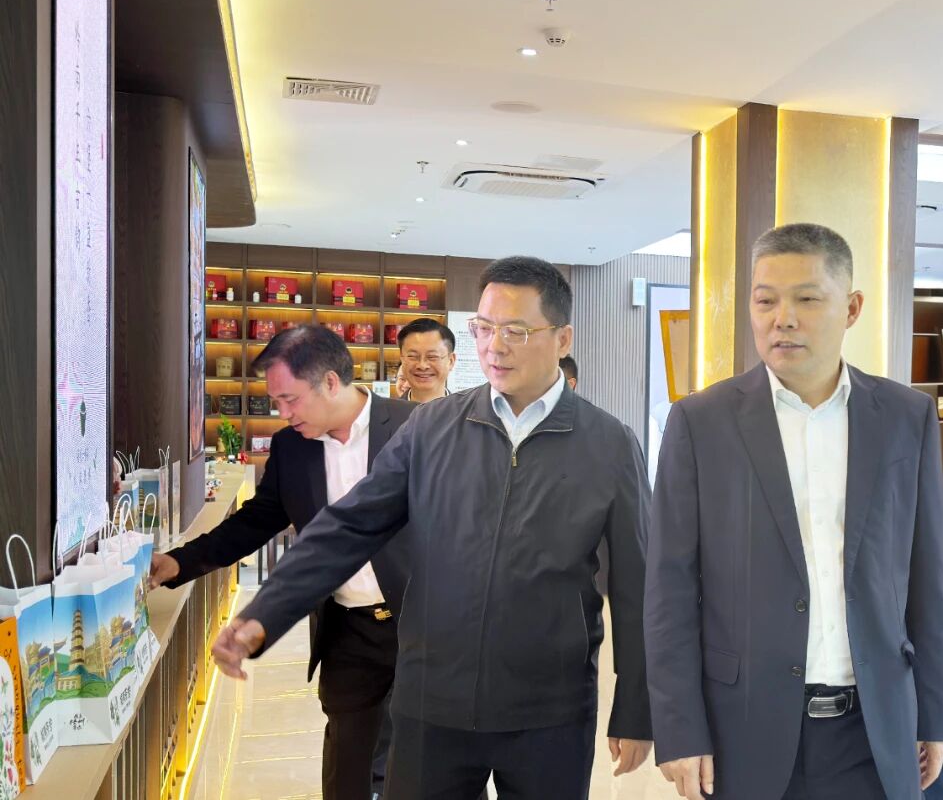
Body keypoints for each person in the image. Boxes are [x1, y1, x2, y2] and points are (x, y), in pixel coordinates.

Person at [208, 256, 654, 799]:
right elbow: (350, 525)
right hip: (431, 703)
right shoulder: (432, 427)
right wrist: (266, 611)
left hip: (550, 711)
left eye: (515, 331)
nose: (495, 346)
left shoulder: (609, 444)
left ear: (562, 339)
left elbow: (637, 584)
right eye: (484, 328)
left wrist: (637, 706)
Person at [645, 223, 943, 799]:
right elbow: (669, 589)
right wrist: (680, 728)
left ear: (852, 308)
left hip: (877, 726)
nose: (781, 319)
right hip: (745, 724)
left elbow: (928, 576)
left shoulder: (905, 417)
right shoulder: (701, 422)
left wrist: (934, 715)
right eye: (765, 301)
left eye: (807, 299)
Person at [150, 326, 417, 800]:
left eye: (290, 399)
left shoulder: (415, 426)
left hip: (422, 624)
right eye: (275, 401)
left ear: (330, 382)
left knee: (432, 759)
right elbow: (257, 521)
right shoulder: (293, 446)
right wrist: (179, 562)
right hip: (347, 631)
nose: (283, 413)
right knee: (348, 762)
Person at [397, 317, 457, 402]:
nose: (422, 366)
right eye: (413, 356)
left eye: (432, 357)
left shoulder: (468, 410)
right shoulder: (386, 410)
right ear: (402, 359)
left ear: (451, 361)